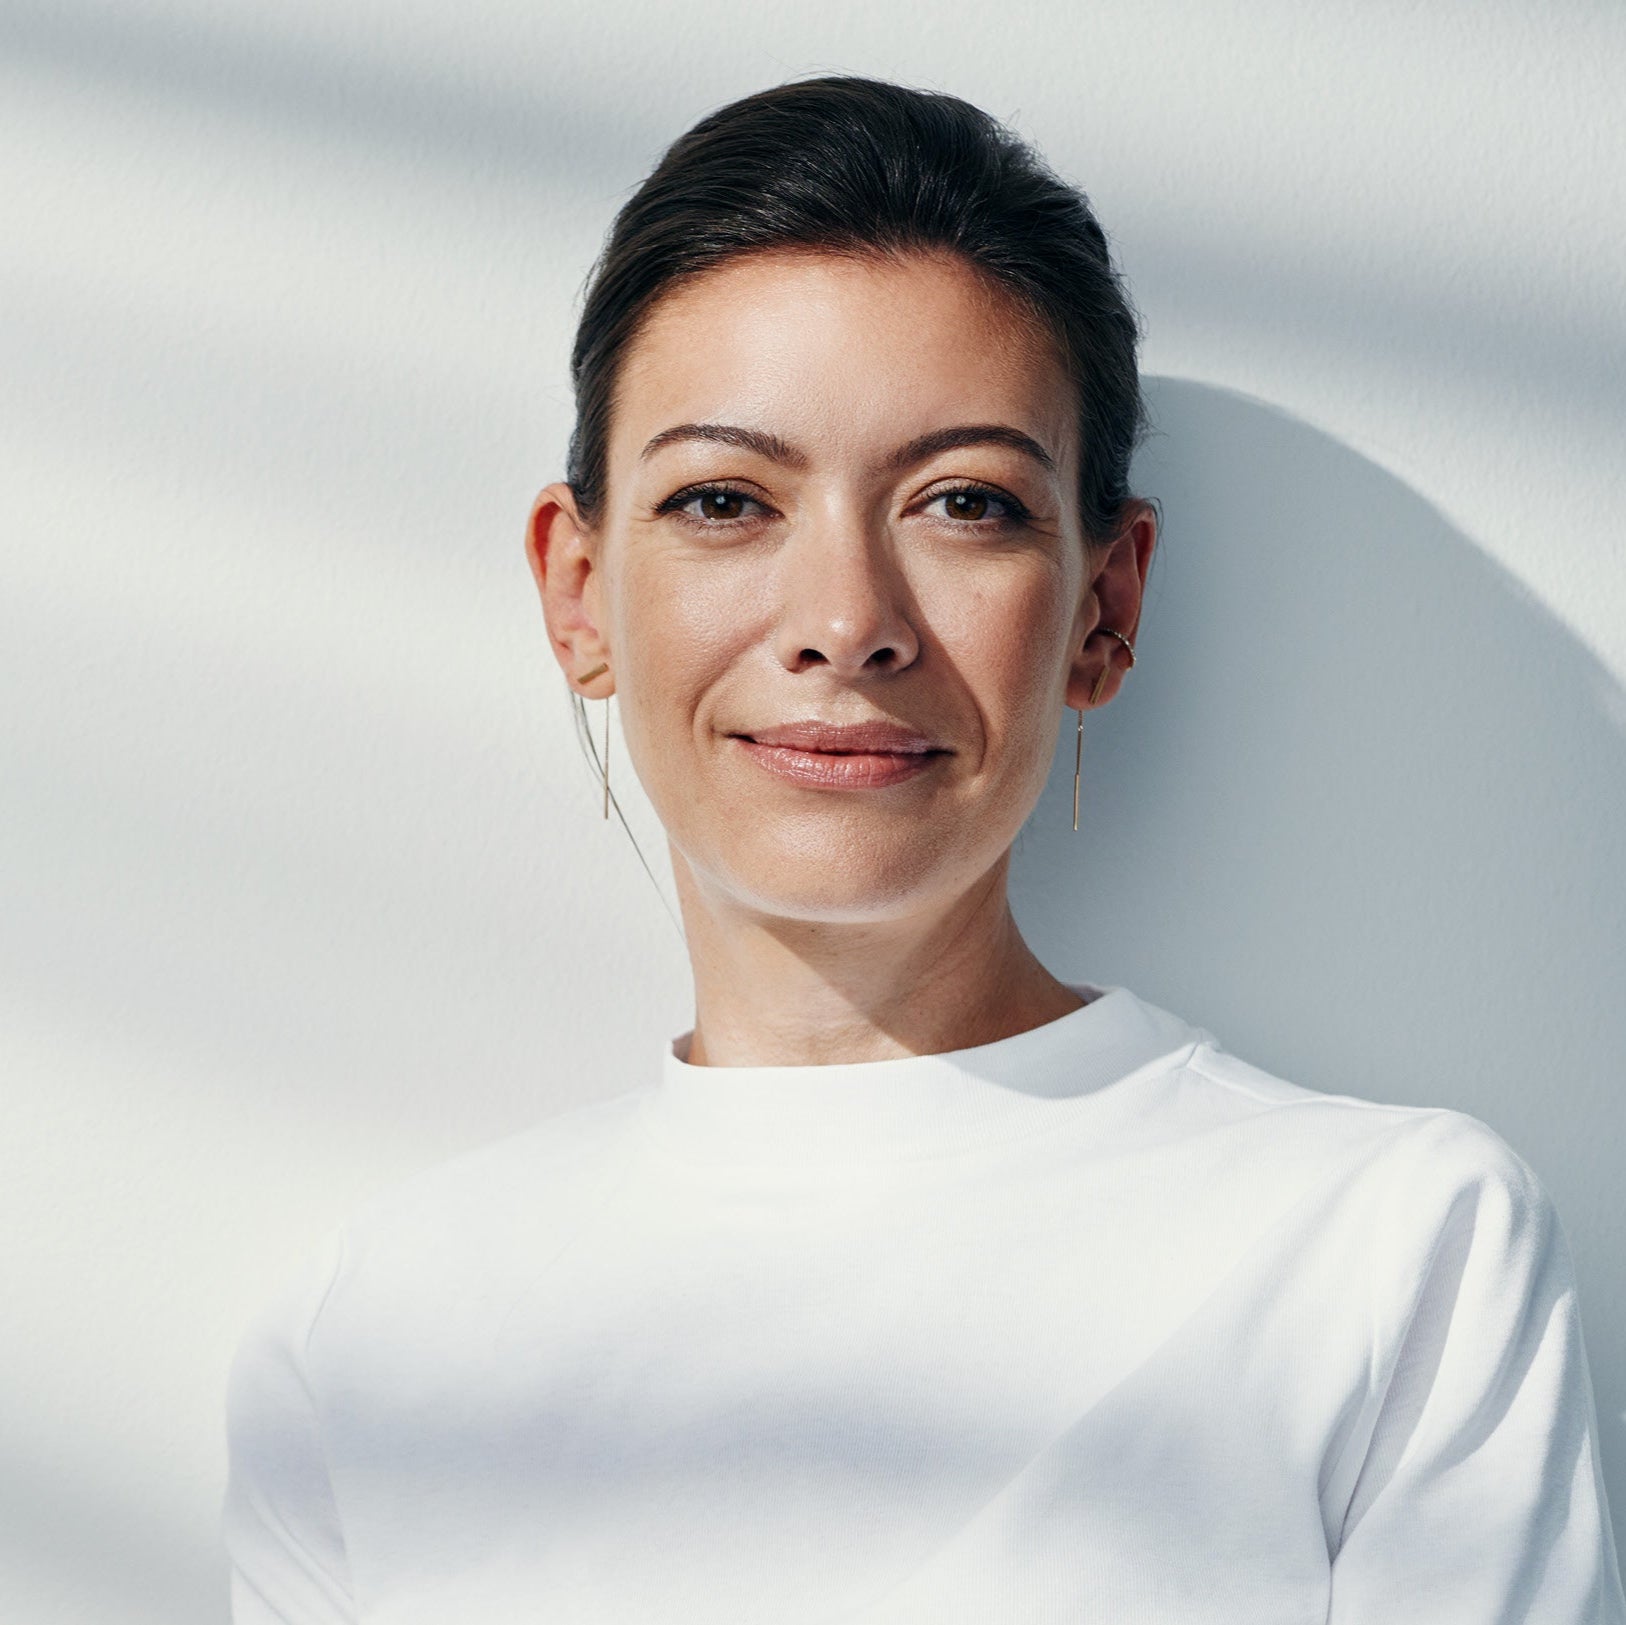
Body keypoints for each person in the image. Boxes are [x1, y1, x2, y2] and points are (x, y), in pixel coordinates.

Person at [222, 74, 1626, 1623]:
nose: (845, 623)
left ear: (1104, 605)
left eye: (963, 502)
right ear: (577, 590)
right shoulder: (368, 1339)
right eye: (723, 499)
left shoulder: (1388, 1253)